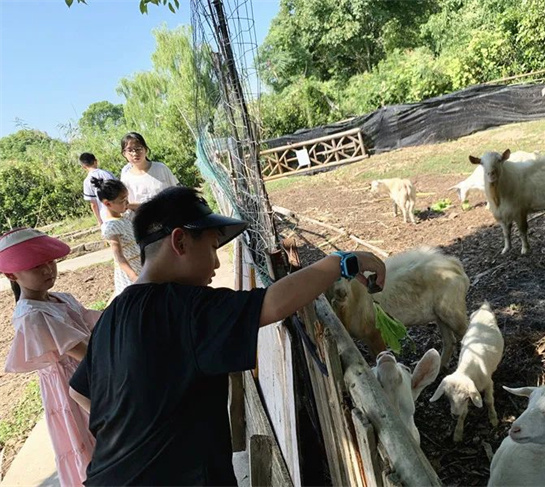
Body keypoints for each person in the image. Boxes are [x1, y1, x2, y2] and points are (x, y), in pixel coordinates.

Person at [69, 186, 385, 486]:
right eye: (211, 247)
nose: (217, 262)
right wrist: (340, 262)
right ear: (180, 242)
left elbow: (79, 392)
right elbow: (273, 303)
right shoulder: (187, 309)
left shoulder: (111, 315)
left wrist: (137, 430)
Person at [0, 228, 100, 487]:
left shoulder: (60, 299)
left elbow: (94, 326)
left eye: (50, 261)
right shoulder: (32, 316)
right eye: (36, 266)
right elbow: (85, 353)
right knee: (93, 440)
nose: (48, 270)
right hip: (73, 385)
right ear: (11, 275)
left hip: (87, 374)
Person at [91, 177, 142, 295]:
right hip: (130, 273)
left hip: (140, 265)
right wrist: (134, 277)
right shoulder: (111, 227)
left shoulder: (125, 216)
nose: (127, 203)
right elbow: (119, 256)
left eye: (127, 198)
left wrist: (126, 205)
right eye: (122, 201)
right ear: (108, 203)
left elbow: (144, 207)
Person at [119, 132, 178, 210]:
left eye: (138, 148)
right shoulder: (126, 179)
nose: (135, 153)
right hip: (141, 217)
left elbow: (176, 193)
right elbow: (126, 206)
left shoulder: (161, 168)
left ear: (146, 149)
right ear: (124, 153)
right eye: (130, 150)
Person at [79, 153, 116, 226]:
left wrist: (99, 220)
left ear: (83, 166)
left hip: (105, 215)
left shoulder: (87, 181)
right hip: (118, 209)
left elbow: (94, 204)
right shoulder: (107, 173)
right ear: (95, 161)